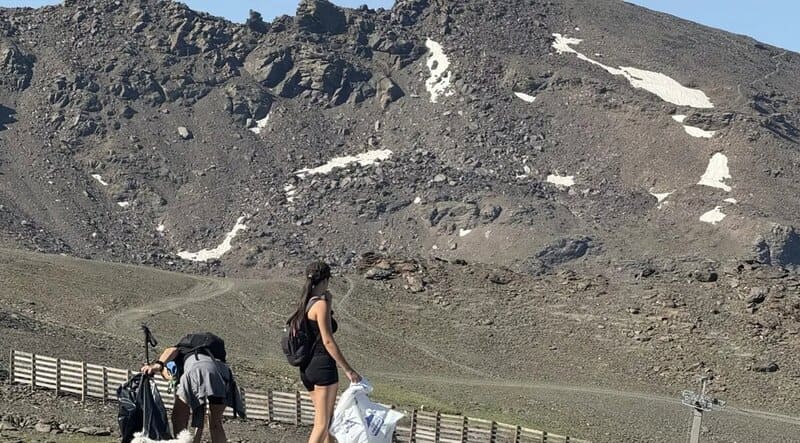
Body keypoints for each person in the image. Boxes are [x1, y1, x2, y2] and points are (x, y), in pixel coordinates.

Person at [287, 261, 361, 443]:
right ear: (325, 280)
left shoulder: (304, 304)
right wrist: (348, 370)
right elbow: (327, 340)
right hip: (323, 368)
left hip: (307, 369)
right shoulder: (320, 305)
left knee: (328, 420)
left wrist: (330, 303)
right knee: (322, 424)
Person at [141, 332, 244, 443]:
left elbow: (171, 351)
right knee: (216, 422)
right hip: (223, 373)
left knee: (179, 416)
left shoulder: (181, 353)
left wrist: (157, 365)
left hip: (197, 369)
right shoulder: (210, 354)